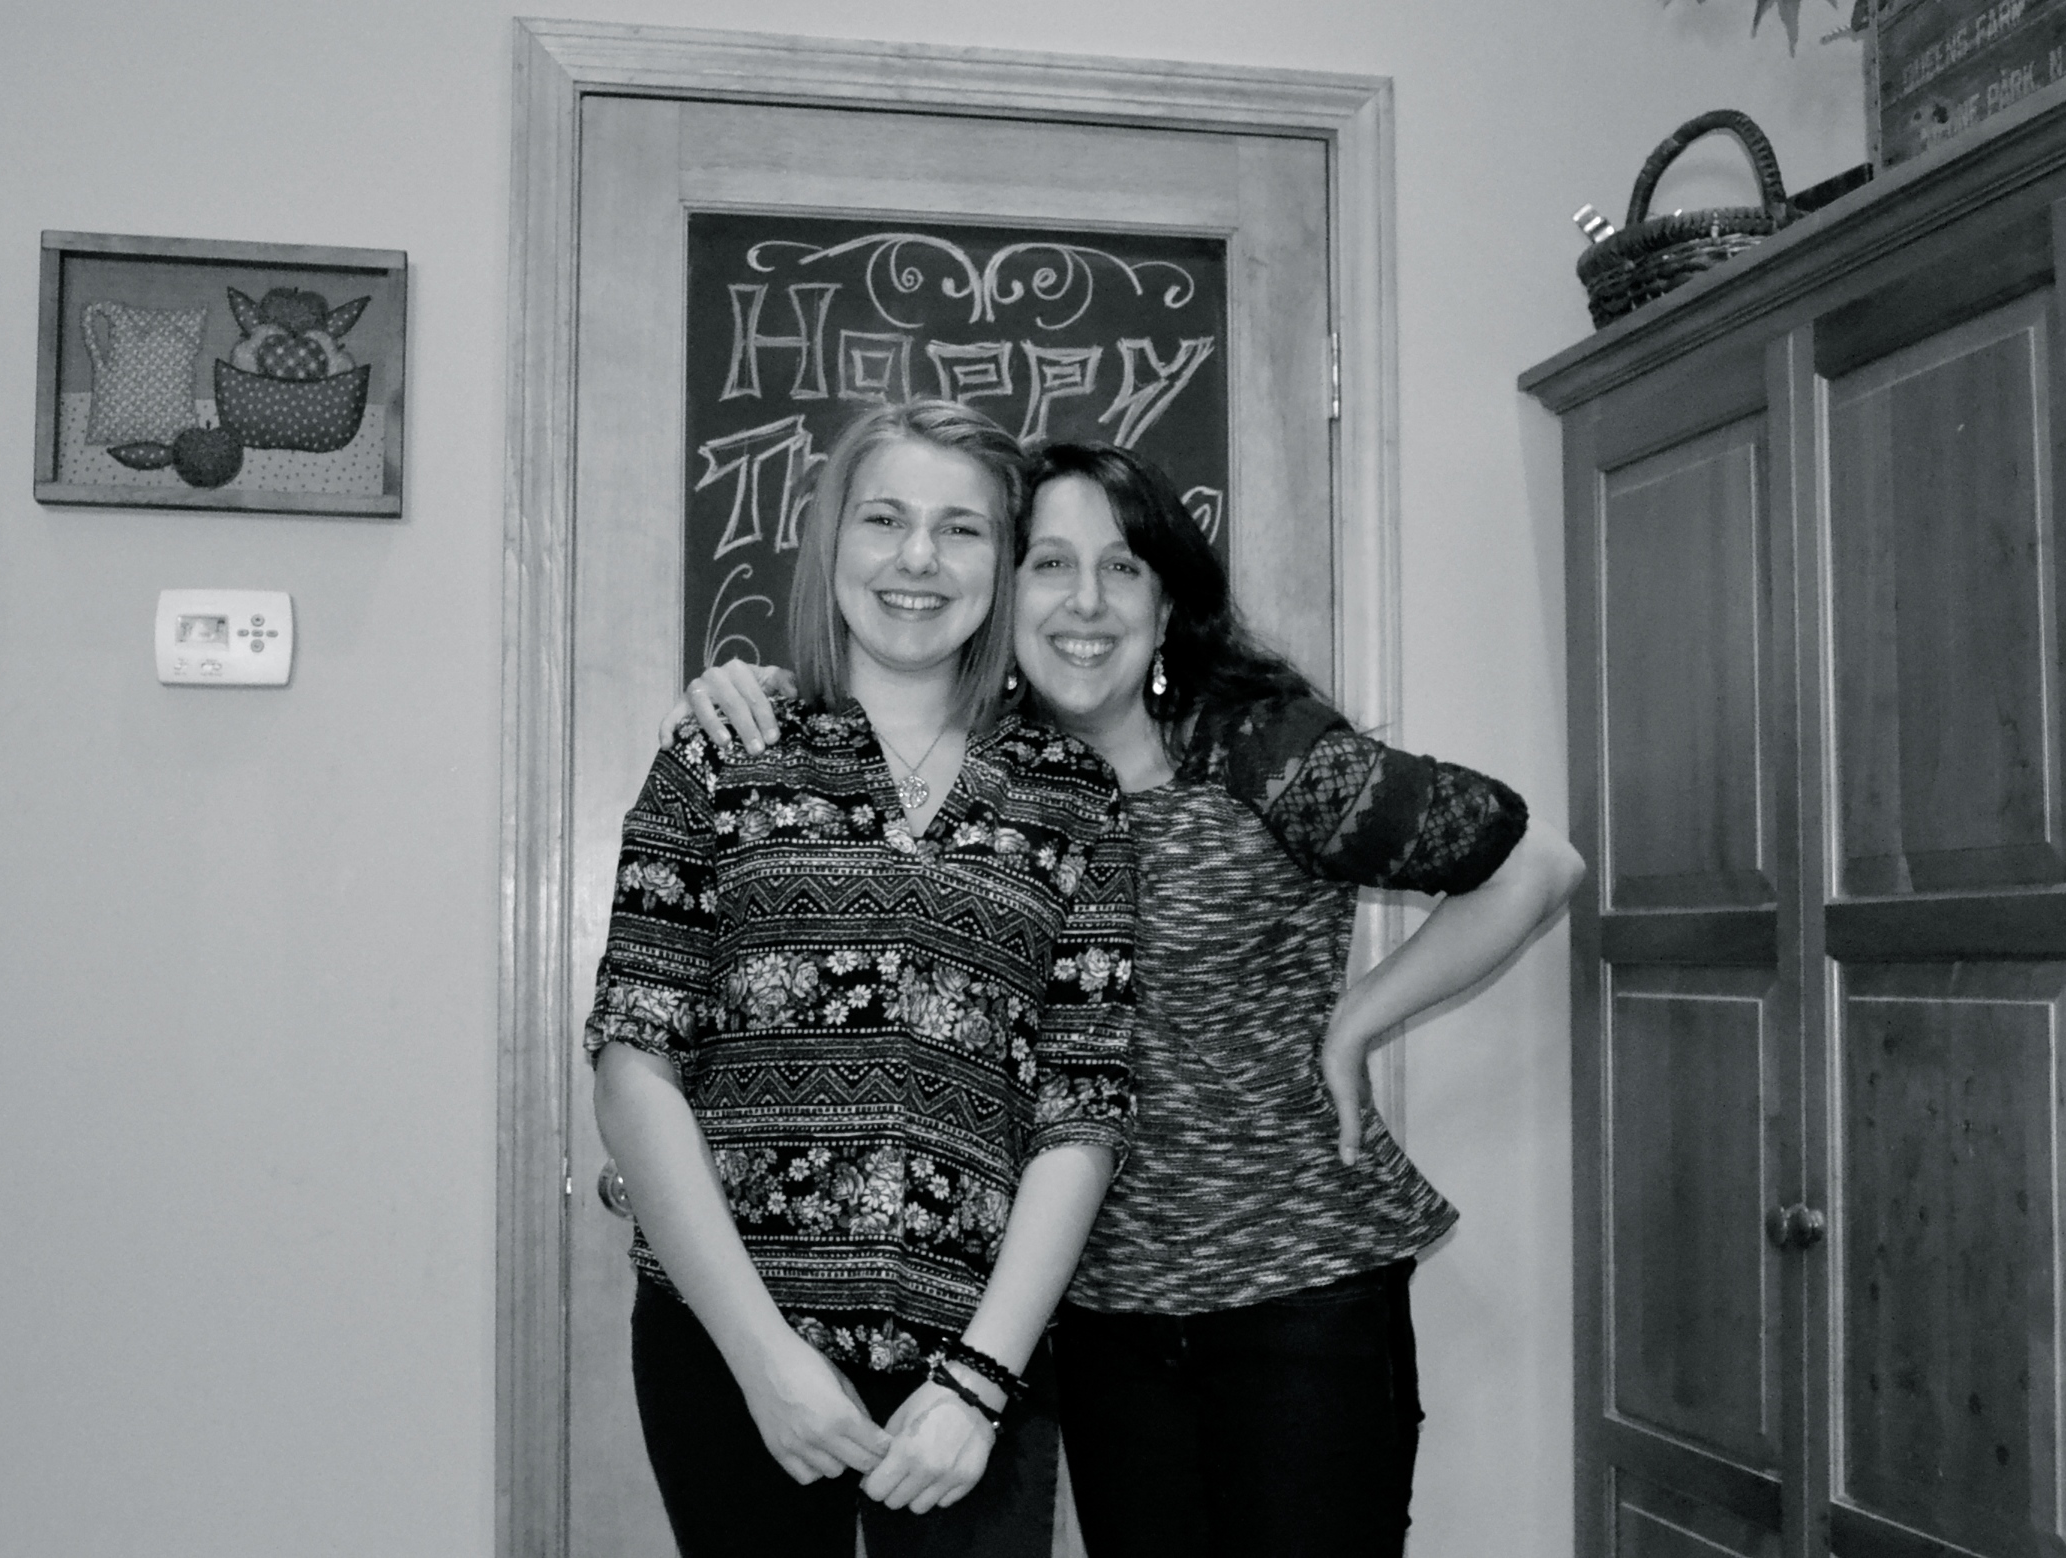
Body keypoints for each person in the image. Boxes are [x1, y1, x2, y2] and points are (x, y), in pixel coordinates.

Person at [677, 439, 1587, 1558]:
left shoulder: (1266, 755)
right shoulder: (985, 776)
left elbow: (1536, 864)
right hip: (1094, 1318)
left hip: (1297, 1296)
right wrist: (745, 691)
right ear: (1004, 594)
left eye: (1123, 568)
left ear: (1166, 606)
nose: (1085, 602)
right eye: (1050, 565)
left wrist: (1357, 1022)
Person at [586, 402, 1137, 1558]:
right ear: (832, 538)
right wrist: (764, 1360)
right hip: (730, 1350)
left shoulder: (1073, 796)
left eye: (962, 529)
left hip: (973, 1374)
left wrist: (979, 1380)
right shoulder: (722, 751)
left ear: (1002, 561)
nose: (917, 558)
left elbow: (1084, 1109)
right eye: (883, 519)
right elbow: (635, 1060)